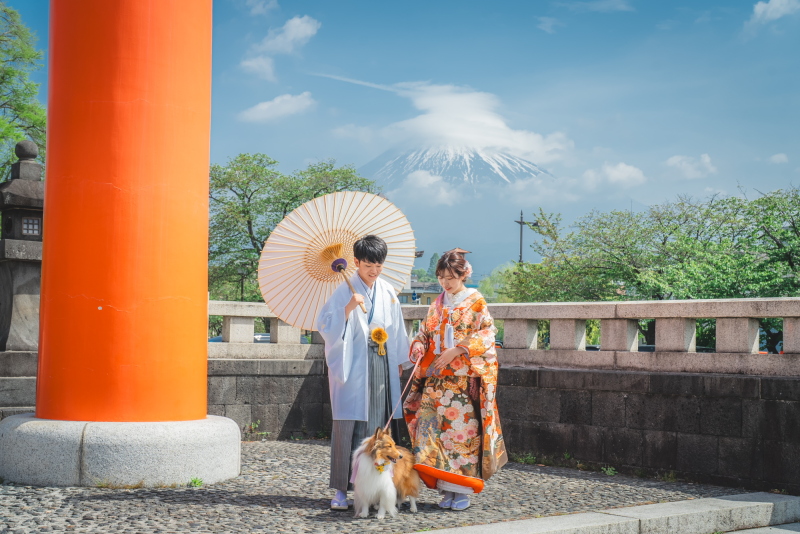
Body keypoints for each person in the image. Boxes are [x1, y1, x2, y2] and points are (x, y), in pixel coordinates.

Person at [403, 249, 507, 511]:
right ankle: (444, 489)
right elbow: (425, 332)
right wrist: (417, 345)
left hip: (461, 382)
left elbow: (487, 333)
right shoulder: (437, 303)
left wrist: (458, 349)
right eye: (441, 277)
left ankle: (461, 491)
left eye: (451, 277)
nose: (445, 283)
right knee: (432, 437)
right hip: (435, 382)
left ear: (464, 274)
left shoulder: (476, 301)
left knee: (460, 437)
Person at [316, 234, 411, 511]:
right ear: (355, 261)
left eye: (379, 265)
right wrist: (348, 308)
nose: (374, 270)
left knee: (379, 427)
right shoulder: (343, 290)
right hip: (354, 363)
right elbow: (326, 325)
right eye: (369, 264)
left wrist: (398, 364)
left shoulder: (388, 291)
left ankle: (379, 490)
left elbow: (397, 330)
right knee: (349, 428)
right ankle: (341, 492)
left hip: (381, 363)